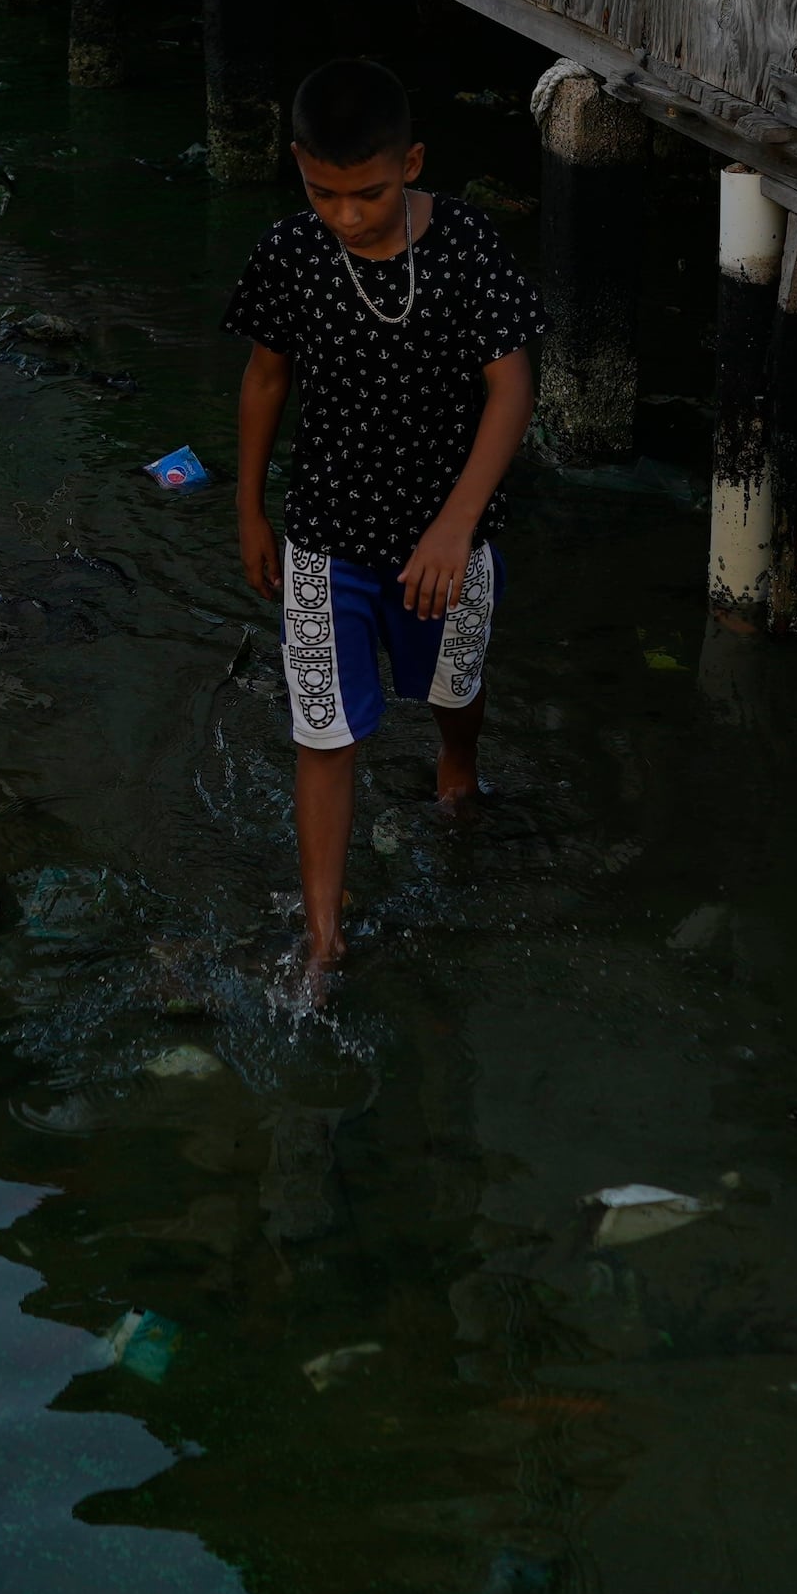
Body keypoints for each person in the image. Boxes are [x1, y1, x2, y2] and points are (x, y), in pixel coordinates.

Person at [226, 55, 546, 995]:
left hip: (447, 539)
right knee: (323, 730)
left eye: (365, 193)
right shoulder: (290, 252)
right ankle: (325, 939)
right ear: (298, 167)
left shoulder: (468, 246)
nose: (347, 215)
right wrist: (247, 507)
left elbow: (511, 385)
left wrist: (455, 526)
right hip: (326, 539)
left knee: (455, 682)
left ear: (409, 163)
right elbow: (266, 378)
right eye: (324, 193)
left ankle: (457, 763)